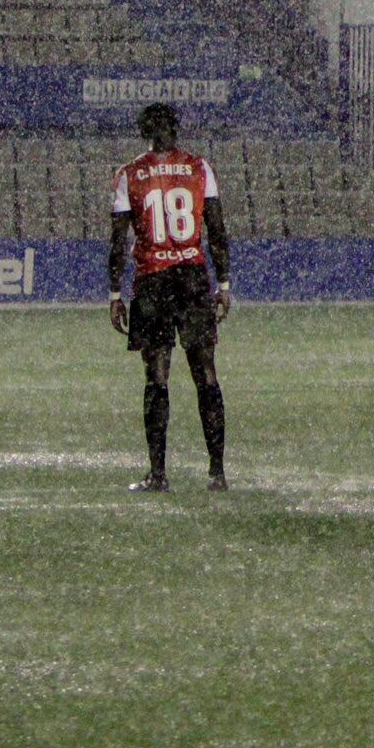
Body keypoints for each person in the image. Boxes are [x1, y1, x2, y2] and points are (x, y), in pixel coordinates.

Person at [109, 103, 233, 491]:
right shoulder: (199, 168)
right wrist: (224, 283)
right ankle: (217, 473)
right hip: (192, 278)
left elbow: (118, 241)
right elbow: (216, 228)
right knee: (206, 375)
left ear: (144, 132)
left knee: (157, 377)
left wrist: (114, 292)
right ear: (176, 130)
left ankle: (158, 474)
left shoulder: (130, 174)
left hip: (153, 282)